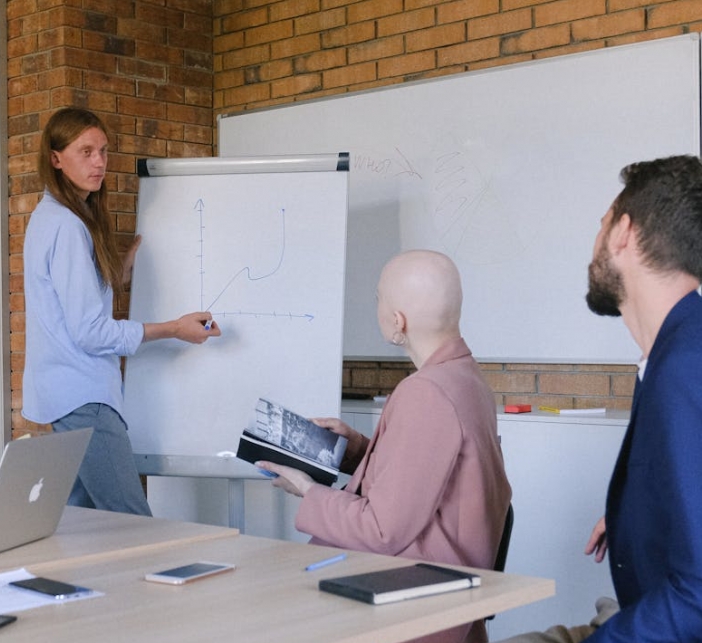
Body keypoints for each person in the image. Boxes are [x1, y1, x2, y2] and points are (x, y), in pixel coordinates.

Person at [257, 249, 511, 643]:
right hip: (448, 593)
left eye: (378, 298)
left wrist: (307, 490)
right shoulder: (465, 378)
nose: (376, 307)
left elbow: (381, 531)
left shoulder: (425, 392)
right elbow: (429, 475)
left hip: (410, 604)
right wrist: (357, 449)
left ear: (398, 322)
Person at [499, 156, 702, 643]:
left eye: (601, 226)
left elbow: (698, 596)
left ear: (623, 233)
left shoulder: (684, 366)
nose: (593, 247)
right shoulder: (673, 352)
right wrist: (635, 513)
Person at [22, 107, 220, 516]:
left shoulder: (49, 218)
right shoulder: (67, 226)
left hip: (66, 397)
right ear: (56, 158)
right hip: (85, 397)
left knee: (80, 526)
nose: (99, 163)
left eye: (103, 152)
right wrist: (174, 329)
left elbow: (66, 308)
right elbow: (90, 333)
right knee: (134, 524)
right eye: (86, 151)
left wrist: (116, 276)